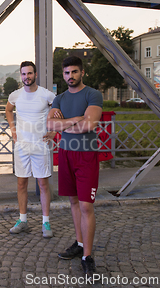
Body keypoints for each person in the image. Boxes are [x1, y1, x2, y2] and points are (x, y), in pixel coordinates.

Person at [47, 56, 103, 275]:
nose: (71, 76)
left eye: (75, 72)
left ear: (82, 73)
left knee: (86, 205)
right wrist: (76, 119)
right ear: (63, 75)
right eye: (67, 73)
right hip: (66, 154)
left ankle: (88, 256)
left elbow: (90, 124)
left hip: (86, 155)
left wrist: (64, 124)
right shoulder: (59, 98)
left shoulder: (92, 94)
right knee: (72, 201)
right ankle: (80, 245)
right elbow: (51, 124)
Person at [5, 61, 56, 238]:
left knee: (43, 184)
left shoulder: (47, 95)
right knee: (21, 183)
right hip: (22, 146)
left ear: (35, 74)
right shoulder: (15, 95)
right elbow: (8, 110)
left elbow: (59, 110)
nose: (27, 77)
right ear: (21, 76)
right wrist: (12, 129)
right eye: (24, 74)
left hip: (40, 145)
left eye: (30, 74)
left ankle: (46, 222)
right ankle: (23, 220)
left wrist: (54, 131)